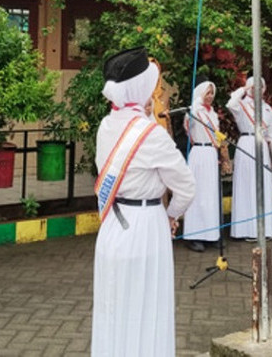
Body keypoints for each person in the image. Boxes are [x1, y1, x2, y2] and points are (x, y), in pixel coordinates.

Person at [92, 47, 195, 357]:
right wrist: (172, 215)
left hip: (112, 226)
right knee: (145, 308)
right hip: (146, 228)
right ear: (141, 91)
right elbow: (186, 188)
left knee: (113, 311)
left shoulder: (106, 125)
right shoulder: (151, 135)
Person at [226, 74, 272, 240]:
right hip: (246, 143)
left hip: (262, 147)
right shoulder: (241, 105)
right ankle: (245, 230)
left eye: (260, 87)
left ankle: (264, 230)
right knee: (246, 185)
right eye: (253, 86)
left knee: (262, 186)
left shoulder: (267, 109)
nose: (258, 90)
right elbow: (230, 103)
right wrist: (243, 90)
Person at [183, 78, 223, 252]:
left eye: (212, 93)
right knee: (198, 194)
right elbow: (188, 124)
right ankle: (195, 235)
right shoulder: (194, 110)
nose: (210, 96)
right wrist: (197, 102)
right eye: (207, 92)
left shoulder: (212, 113)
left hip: (211, 154)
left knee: (211, 195)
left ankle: (212, 234)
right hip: (198, 153)